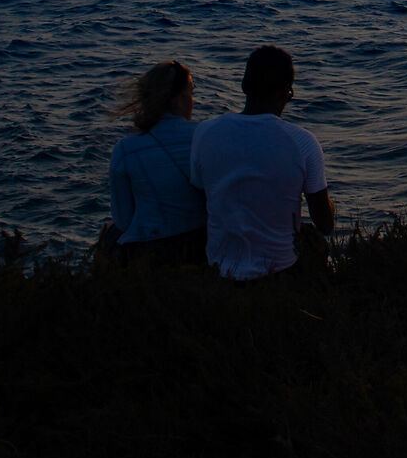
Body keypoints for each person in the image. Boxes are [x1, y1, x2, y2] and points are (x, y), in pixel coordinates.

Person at [188, 45, 335, 281]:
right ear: (286, 92)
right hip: (281, 273)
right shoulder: (303, 142)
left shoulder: (205, 133)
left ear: (244, 86)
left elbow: (199, 196)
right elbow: (326, 224)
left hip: (218, 272)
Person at [102, 60, 209, 268]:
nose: (193, 100)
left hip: (151, 253)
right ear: (178, 100)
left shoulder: (126, 149)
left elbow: (124, 220)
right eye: (190, 92)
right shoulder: (207, 136)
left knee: (110, 232)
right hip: (203, 244)